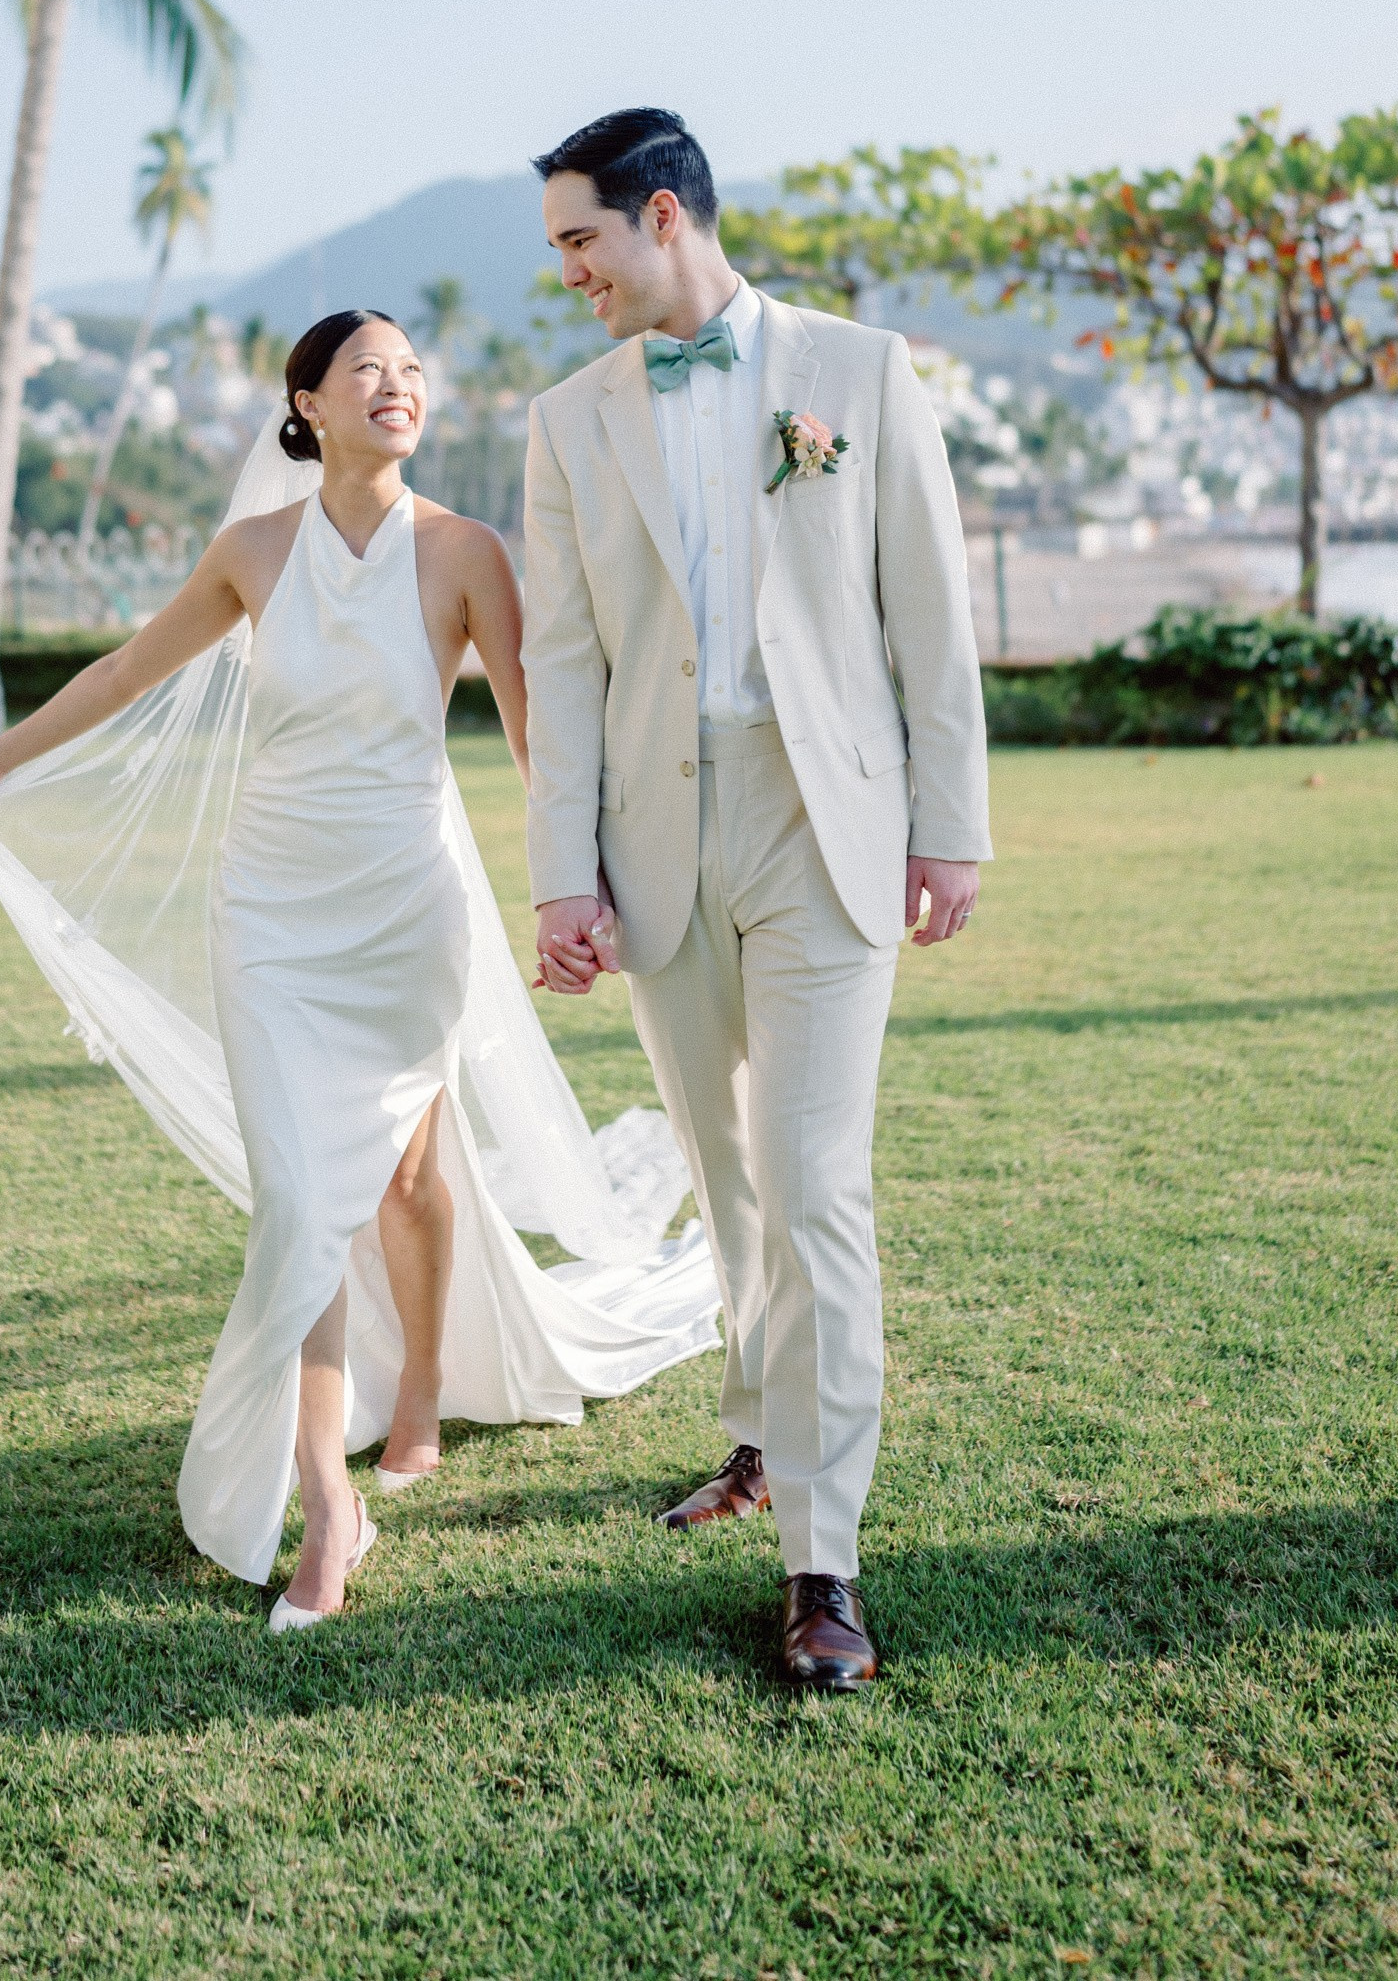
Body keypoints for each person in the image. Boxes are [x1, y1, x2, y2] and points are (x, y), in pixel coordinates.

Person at [0, 308, 718, 1629]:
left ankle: (419, 1388)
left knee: (409, 1178)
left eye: (413, 371)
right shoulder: (252, 552)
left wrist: (580, 885)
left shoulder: (464, 552)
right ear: (307, 402)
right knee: (300, 1207)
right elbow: (130, 669)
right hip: (269, 916)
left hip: (404, 911)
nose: (399, 386)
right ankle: (324, 1504)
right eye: (370, 370)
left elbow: (536, 740)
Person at [521, 109, 992, 1692]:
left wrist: (952, 829)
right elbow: (563, 664)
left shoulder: (859, 372)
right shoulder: (568, 421)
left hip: (824, 824)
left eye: (582, 240)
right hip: (658, 834)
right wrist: (561, 875)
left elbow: (929, 614)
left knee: (812, 1183)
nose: (569, 274)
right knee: (728, 1177)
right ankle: (754, 1427)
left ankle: (821, 1562)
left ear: (664, 215)